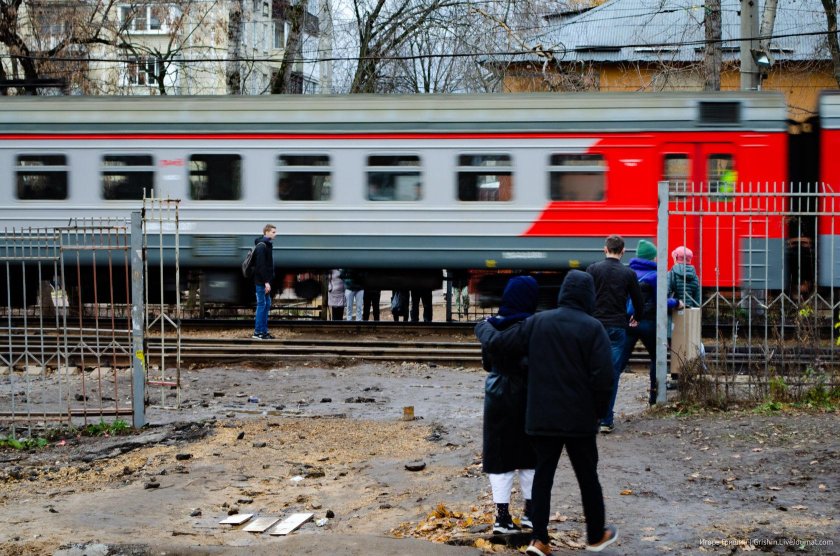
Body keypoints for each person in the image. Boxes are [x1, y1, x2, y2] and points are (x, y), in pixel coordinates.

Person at [475, 271, 619, 555]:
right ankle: (596, 535)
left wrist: (483, 327)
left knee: (543, 477)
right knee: (587, 477)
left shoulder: (538, 322)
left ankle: (539, 540)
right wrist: (598, 413)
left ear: (563, 292)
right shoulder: (594, 328)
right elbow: (605, 377)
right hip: (579, 420)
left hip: (542, 416)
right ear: (589, 296)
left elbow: (500, 344)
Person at [478, 276, 539, 534]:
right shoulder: (535, 326)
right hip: (530, 394)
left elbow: (487, 365)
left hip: (498, 392)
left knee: (500, 456)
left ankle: (502, 517)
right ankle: (531, 513)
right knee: (530, 455)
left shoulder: (492, 326)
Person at [585, 235, 644, 434]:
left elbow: (585, 296)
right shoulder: (628, 273)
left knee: (592, 371)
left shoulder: (593, 269)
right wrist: (636, 317)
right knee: (611, 374)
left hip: (595, 327)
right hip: (617, 327)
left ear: (605, 249)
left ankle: (591, 418)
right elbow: (638, 301)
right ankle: (606, 420)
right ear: (623, 251)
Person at [619, 240, 682, 406]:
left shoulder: (627, 272)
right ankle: (655, 398)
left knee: (619, 362)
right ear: (652, 258)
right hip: (648, 323)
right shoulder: (655, 276)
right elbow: (661, 301)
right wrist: (676, 303)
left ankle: (605, 403)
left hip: (629, 322)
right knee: (657, 358)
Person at [252, 224, 277, 340]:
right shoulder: (262, 246)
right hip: (262, 282)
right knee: (262, 306)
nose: (275, 234)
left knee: (266, 306)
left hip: (265, 282)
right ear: (266, 232)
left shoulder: (266, 245)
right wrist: (266, 282)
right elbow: (261, 266)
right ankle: (258, 332)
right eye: (273, 232)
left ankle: (264, 332)